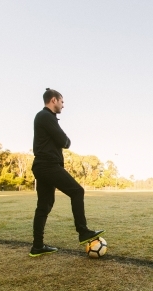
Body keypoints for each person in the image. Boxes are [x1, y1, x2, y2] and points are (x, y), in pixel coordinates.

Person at [29, 88, 105, 257]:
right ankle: (83, 231)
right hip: (48, 165)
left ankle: (37, 246)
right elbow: (65, 141)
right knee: (77, 191)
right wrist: (65, 140)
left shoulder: (45, 117)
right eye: (62, 101)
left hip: (42, 166)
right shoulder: (46, 116)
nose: (63, 105)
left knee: (44, 206)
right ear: (54, 100)